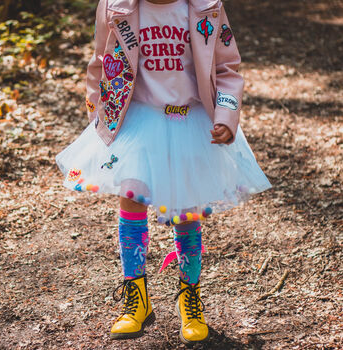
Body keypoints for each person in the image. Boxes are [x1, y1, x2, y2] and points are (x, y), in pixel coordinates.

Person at [55, 0, 272, 345]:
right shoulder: (116, 7)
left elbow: (228, 68)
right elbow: (100, 62)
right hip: (137, 121)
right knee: (132, 199)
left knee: (186, 211)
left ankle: (190, 300)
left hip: (190, 121)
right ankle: (136, 300)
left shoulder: (206, 8)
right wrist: (101, 118)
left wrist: (226, 117)